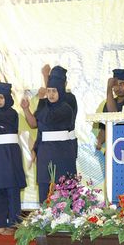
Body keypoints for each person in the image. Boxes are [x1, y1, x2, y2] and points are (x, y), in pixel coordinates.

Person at [21, 66, 75, 203]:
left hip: (62, 153)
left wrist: (41, 98)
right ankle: (45, 215)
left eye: (54, 91)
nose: (50, 94)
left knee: (63, 188)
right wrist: (26, 109)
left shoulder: (66, 106)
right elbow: (36, 124)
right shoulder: (45, 105)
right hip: (45, 153)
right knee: (45, 188)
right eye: (49, 91)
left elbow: (48, 118)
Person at [0, 82, 26, 235]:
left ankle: (14, 225)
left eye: (1, 97)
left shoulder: (11, 113)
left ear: (7, 98)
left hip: (10, 153)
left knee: (12, 188)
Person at [95, 69, 124, 150]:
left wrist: (109, 89)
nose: (118, 88)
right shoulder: (109, 102)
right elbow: (104, 128)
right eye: (115, 85)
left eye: (122, 84)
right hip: (112, 147)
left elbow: (113, 115)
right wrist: (99, 142)